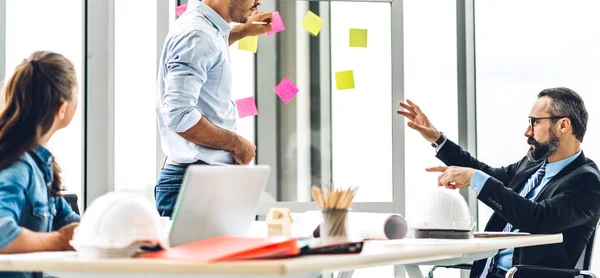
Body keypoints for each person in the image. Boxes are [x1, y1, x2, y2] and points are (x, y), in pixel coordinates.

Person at [397, 87, 600, 278]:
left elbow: (538, 218)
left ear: (563, 125)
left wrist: (474, 178)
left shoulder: (587, 181)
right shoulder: (532, 164)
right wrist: (438, 140)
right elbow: (487, 174)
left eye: (535, 122)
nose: (527, 132)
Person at [155, 0, 273, 217]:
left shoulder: (205, 31)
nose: (259, 1)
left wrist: (244, 30)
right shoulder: (197, 34)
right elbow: (180, 116)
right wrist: (237, 144)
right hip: (193, 185)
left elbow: (210, 46)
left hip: (199, 181)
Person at [0, 51, 81, 278]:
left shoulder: (40, 166)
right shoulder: (18, 166)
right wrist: (59, 241)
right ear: (62, 108)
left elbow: (67, 220)